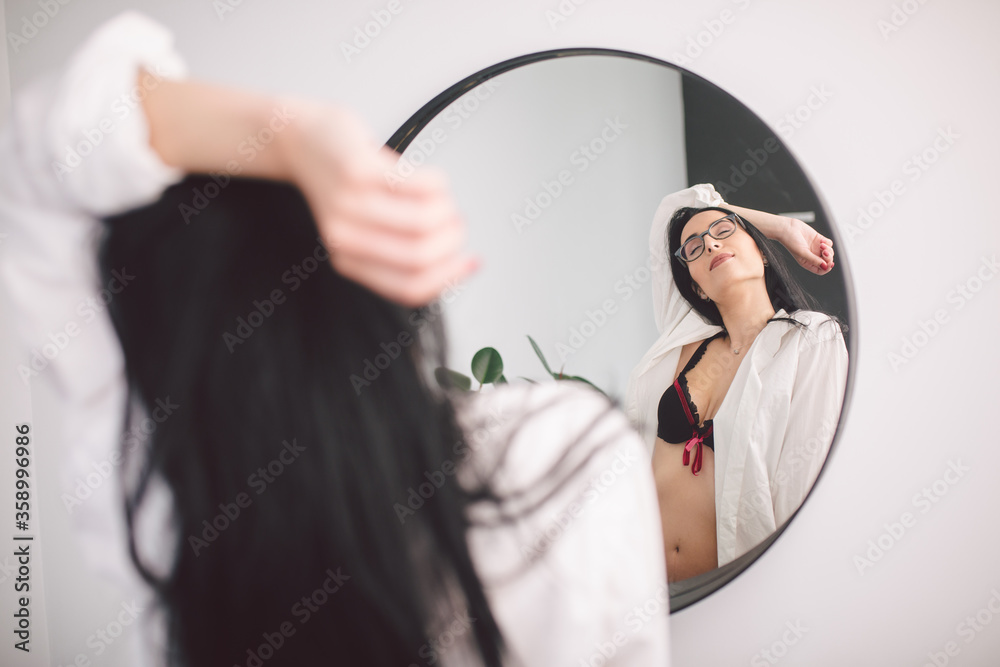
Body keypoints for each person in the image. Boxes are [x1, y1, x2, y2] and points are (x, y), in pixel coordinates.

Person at [0, 11, 669, 666]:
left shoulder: (162, 510)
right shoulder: (559, 455)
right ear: (375, 301)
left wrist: (296, 136)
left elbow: (31, 149)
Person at [624, 184, 849, 580]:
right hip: (642, 589)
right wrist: (780, 226)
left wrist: (779, 231)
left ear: (760, 251)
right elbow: (675, 209)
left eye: (724, 231)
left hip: (734, 591)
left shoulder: (809, 340)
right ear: (694, 285)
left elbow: (802, 481)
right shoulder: (684, 338)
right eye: (693, 247)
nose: (709, 245)